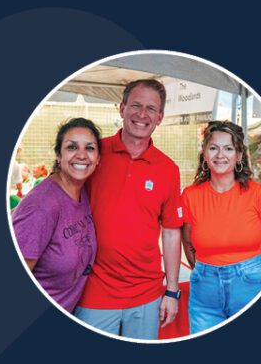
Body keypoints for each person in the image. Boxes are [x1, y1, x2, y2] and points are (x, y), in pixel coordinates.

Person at [73, 78, 185, 339]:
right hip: (94, 287)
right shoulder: (94, 153)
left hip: (146, 292)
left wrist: (171, 290)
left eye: (151, 109)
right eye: (135, 105)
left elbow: (171, 232)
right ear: (121, 108)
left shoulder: (168, 170)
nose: (142, 114)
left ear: (160, 117)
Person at [178, 120, 261, 332]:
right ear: (204, 154)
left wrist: (253, 270)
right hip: (205, 293)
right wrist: (205, 270)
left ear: (239, 156)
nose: (220, 155)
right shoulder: (190, 195)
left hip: (250, 287)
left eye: (229, 148)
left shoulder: (258, 193)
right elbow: (187, 243)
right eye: (213, 148)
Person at [11, 118, 101, 313]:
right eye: (72, 147)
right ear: (59, 156)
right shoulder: (41, 206)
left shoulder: (81, 192)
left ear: (98, 158)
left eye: (90, 148)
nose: (82, 155)